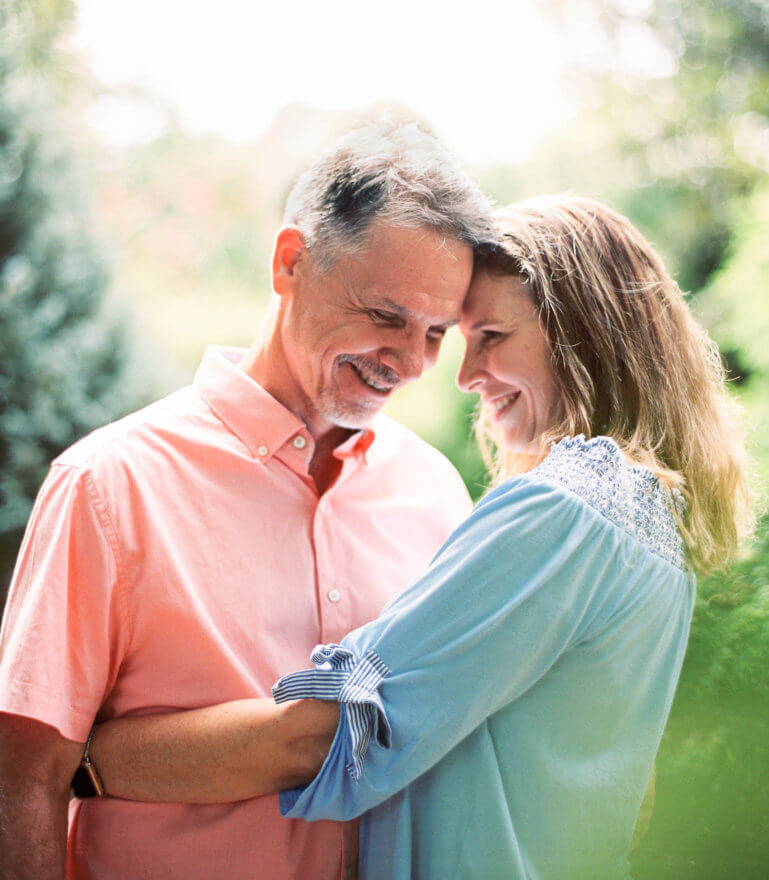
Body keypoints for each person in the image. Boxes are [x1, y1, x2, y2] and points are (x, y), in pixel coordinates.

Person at [82, 196, 753, 880]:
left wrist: (83, 762)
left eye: (490, 336)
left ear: (582, 333)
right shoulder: (643, 515)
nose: (465, 375)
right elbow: (631, 797)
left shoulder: (563, 509)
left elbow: (325, 735)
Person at [0, 119, 496, 880]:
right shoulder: (108, 486)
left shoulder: (435, 492)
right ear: (290, 262)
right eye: (385, 316)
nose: (409, 360)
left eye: (435, 333)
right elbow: (22, 779)